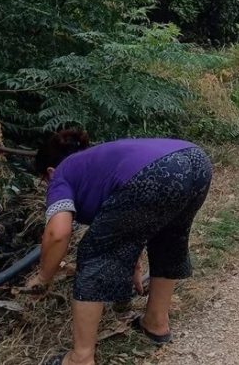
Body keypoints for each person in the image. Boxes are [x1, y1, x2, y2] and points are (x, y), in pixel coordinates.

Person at [25, 130, 213, 365]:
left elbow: (58, 233)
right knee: (169, 238)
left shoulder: (60, 174)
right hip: (196, 161)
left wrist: (42, 278)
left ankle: (80, 358)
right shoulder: (96, 163)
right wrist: (133, 266)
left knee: (94, 255)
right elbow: (129, 226)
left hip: (158, 172)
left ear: (49, 172)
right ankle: (156, 323)